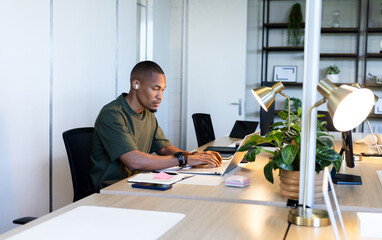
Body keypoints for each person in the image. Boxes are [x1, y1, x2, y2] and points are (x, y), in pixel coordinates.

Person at [90, 60, 222, 191]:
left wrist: (195, 156)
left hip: (138, 183)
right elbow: (133, 161)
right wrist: (185, 160)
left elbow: (163, 148)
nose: (161, 96)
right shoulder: (112, 114)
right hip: (110, 190)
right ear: (136, 84)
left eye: (163, 90)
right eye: (155, 89)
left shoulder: (147, 113)